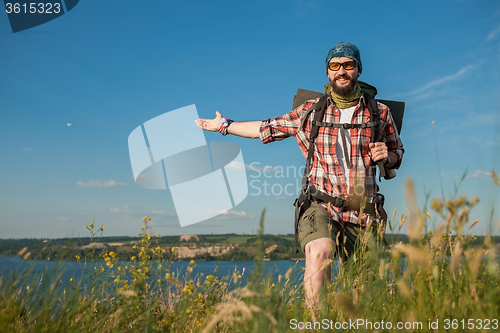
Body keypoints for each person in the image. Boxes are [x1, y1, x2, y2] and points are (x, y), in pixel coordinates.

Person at [195, 42, 404, 315]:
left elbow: (397, 153)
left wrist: (387, 156)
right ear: (328, 73)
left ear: (359, 70)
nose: (342, 71)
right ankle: (317, 325)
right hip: (321, 205)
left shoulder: (380, 113)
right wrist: (224, 126)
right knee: (319, 254)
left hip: (363, 213)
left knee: (363, 294)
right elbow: (266, 127)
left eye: (348, 65)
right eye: (335, 66)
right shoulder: (311, 110)